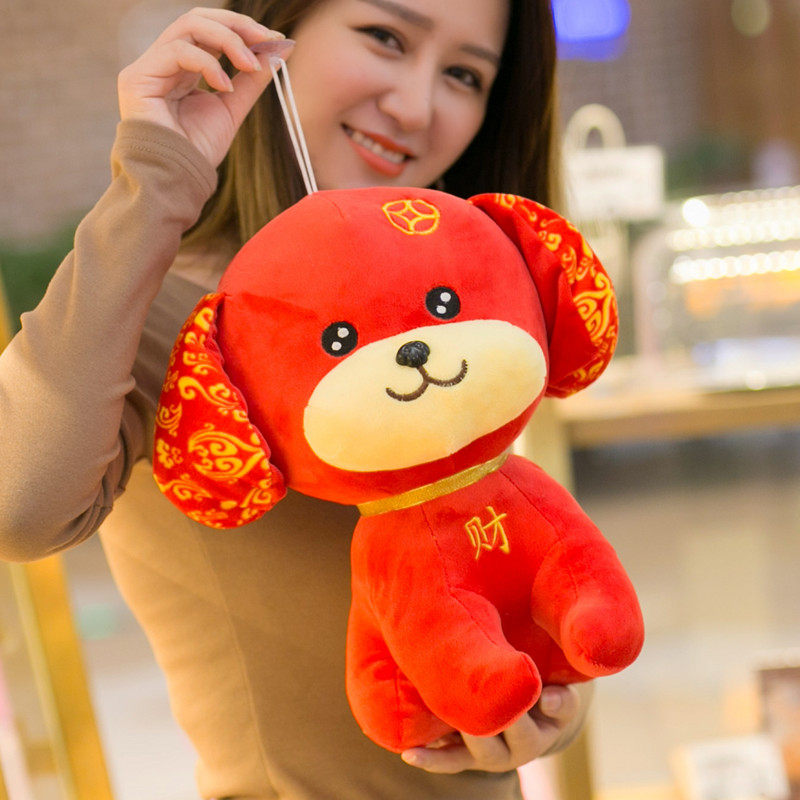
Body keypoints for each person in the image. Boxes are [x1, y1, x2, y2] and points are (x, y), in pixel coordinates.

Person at [0, 1, 595, 797]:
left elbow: (498, 559)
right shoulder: (166, 316)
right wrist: (156, 178)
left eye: (464, 75)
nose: (416, 106)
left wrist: (555, 694)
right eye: (386, 37)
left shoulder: (452, 309)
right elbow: (16, 506)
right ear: (272, 28)